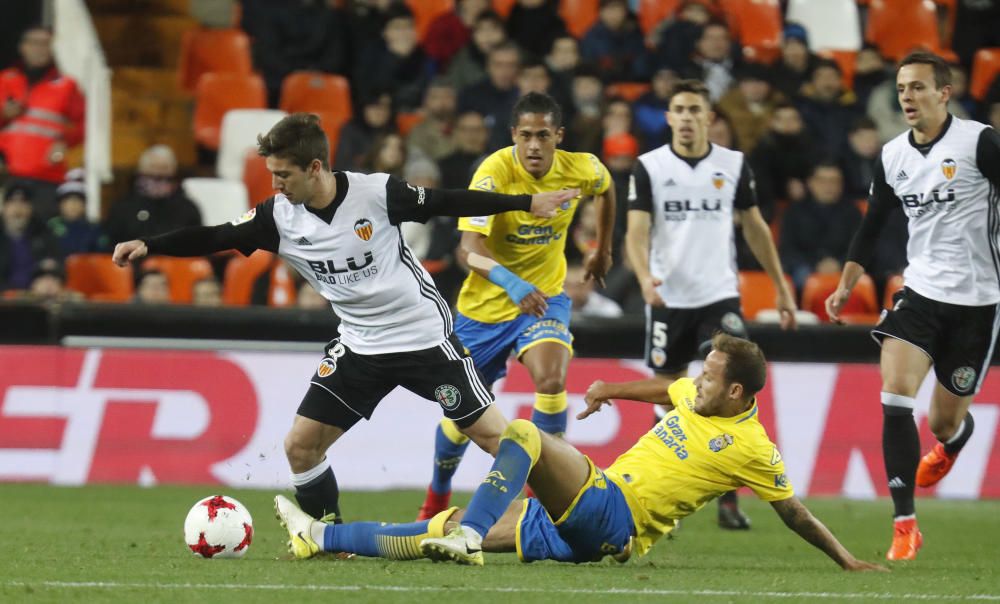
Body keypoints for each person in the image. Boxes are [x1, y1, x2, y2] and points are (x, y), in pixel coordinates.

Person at [111, 112, 577, 534]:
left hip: (423, 338)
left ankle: (576, 504)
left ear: (315, 168)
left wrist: (523, 203)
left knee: (498, 438)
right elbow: (215, 235)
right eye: (272, 175)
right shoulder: (278, 217)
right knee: (301, 446)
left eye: (283, 175)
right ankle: (327, 538)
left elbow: (444, 201)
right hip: (359, 347)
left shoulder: (376, 193)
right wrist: (150, 244)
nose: (275, 185)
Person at [273, 333, 886, 573]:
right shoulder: (696, 398)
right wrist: (607, 390)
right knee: (442, 524)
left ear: (735, 392)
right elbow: (664, 388)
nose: (693, 383)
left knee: (524, 434)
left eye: (708, 378)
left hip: (613, 512)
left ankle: (471, 535)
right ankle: (320, 538)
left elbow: (795, 513)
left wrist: (848, 561)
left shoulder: (754, 448)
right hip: (582, 523)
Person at [824, 51, 1000, 561]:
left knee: (944, 422)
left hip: (979, 302)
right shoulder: (893, 154)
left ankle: (952, 442)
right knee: (896, 394)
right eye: (902, 89)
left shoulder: (980, 142)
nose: (908, 97)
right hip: (919, 293)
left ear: (944, 93)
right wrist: (846, 283)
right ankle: (904, 523)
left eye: (919, 87)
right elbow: (874, 222)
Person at [414, 92, 616, 521]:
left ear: (558, 136)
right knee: (461, 413)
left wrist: (602, 249)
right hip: (484, 308)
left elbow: (608, 187)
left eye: (544, 135)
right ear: (514, 136)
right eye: (526, 135)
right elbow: (467, 250)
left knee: (550, 378)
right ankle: (436, 497)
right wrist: (511, 282)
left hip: (543, 299)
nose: (535, 145)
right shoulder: (492, 174)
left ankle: (542, 500)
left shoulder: (581, 167)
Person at [626, 79, 798, 530]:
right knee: (666, 394)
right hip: (667, 297)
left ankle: (727, 499)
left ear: (709, 118)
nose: (685, 117)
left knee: (730, 390)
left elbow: (755, 227)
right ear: (668, 118)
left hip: (718, 294)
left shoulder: (734, 165)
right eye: (678, 109)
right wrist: (644, 279)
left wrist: (780, 285)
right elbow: (636, 232)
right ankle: (659, 489)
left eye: (693, 110)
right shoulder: (649, 167)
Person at [0, 26, 85, 221]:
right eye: (34, 42)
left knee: (42, 233)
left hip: (47, 176)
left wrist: (65, 142)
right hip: (6, 174)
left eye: (45, 43)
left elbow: (84, 124)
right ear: (22, 47)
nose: (40, 48)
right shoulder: (5, 80)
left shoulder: (66, 85)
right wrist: (3, 114)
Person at [103, 145, 202, 244]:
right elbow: (112, 246)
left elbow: (198, 244)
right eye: (152, 167)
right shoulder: (122, 208)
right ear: (141, 171)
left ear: (173, 172)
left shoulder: (188, 209)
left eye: (164, 168)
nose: (158, 173)